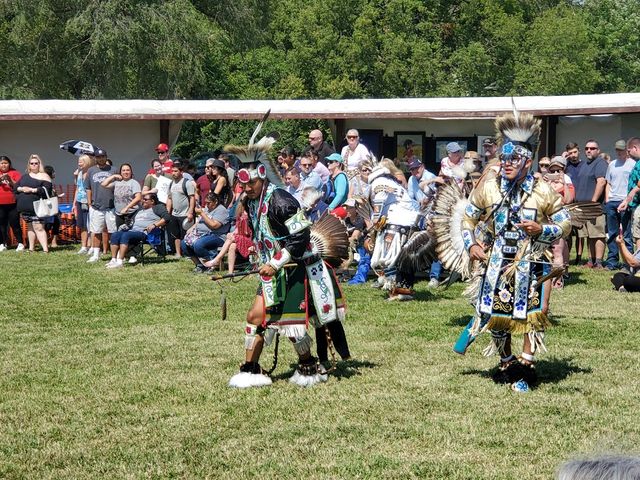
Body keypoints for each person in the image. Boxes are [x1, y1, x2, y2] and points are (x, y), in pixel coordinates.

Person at [224, 125, 347, 388]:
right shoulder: (253, 200)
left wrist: (275, 262)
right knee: (255, 318)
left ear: (263, 178)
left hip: (296, 269)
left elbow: (300, 237)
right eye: (244, 185)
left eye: (252, 184)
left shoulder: (282, 201)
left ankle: (308, 366)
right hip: (273, 271)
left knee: (291, 325)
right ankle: (250, 369)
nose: (248, 189)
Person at [460, 111, 571, 392]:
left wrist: (541, 230)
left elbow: (565, 222)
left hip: (531, 263)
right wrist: (471, 244)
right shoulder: (489, 189)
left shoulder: (543, 191)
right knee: (497, 317)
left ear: (527, 161)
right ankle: (507, 362)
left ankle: (527, 367)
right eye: (504, 158)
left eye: (514, 159)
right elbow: (467, 219)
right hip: (497, 262)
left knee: (531, 317)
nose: (507, 164)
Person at [106, 193, 170, 269]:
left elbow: (167, 217)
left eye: (145, 199)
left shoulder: (158, 207)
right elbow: (129, 220)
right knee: (115, 235)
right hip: (133, 231)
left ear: (152, 201)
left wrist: (155, 225)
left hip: (145, 233)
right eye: (142, 199)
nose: (143, 201)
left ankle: (120, 261)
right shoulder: (139, 210)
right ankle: (113, 260)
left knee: (126, 235)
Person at [574, 139, 608, 268]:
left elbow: (601, 182)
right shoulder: (585, 164)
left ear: (598, 150)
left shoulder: (600, 163)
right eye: (587, 148)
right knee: (588, 234)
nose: (589, 150)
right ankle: (590, 260)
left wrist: (593, 201)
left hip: (594, 206)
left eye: (592, 148)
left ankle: (598, 262)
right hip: (582, 206)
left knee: (597, 234)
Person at [604, 139, 635, 269]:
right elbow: (608, 183)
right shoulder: (612, 164)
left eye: (621, 150)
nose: (619, 152)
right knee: (612, 233)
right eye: (617, 149)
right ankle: (612, 261)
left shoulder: (633, 164)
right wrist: (607, 200)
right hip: (612, 201)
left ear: (627, 151)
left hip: (625, 201)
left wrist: (628, 200)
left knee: (626, 234)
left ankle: (628, 262)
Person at [181, 192, 230, 273]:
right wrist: (192, 228)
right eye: (205, 202)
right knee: (184, 243)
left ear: (216, 201)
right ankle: (199, 265)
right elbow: (200, 221)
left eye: (209, 203)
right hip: (202, 234)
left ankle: (212, 264)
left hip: (217, 236)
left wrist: (202, 213)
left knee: (198, 244)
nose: (206, 205)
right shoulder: (207, 209)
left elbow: (214, 225)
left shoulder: (221, 210)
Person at [14, 154, 53, 253]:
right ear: (29, 165)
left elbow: (47, 190)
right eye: (32, 163)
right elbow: (15, 187)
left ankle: (45, 250)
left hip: (38, 206)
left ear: (39, 164)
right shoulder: (24, 176)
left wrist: (32, 190)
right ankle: (31, 248)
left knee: (39, 227)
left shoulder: (44, 176)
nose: (34, 165)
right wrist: (22, 188)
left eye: (36, 163)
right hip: (25, 207)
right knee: (30, 227)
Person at [85, 148, 116, 263]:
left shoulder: (114, 169)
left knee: (112, 231)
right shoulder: (91, 170)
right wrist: (89, 203)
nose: (101, 159)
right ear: (95, 158)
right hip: (96, 205)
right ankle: (96, 254)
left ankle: (114, 254)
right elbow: (88, 188)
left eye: (103, 156)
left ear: (106, 157)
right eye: (98, 157)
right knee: (96, 231)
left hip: (111, 205)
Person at [166, 160, 196, 258]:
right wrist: (167, 212)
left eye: (175, 171)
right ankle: (178, 253)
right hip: (174, 214)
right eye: (172, 171)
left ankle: (188, 253)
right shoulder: (171, 184)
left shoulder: (187, 183)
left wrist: (190, 212)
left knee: (186, 235)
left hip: (185, 214)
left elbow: (192, 198)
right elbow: (169, 198)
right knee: (176, 235)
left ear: (181, 172)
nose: (173, 173)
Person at [100, 163, 142, 229]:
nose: (126, 172)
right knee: (120, 233)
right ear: (120, 172)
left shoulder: (134, 183)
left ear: (131, 172)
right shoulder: (117, 182)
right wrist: (113, 176)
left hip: (131, 213)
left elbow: (138, 197)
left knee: (129, 234)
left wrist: (127, 208)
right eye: (123, 170)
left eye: (128, 170)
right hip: (119, 214)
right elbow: (103, 184)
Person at [564, 142, 585, 264]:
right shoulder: (565, 166)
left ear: (579, 151)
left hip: (581, 202)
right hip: (569, 203)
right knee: (568, 232)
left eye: (575, 152)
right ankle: (568, 256)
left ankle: (579, 257)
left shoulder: (584, 165)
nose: (573, 155)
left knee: (580, 234)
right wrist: (563, 158)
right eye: (570, 153)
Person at [618, 137, 640, 250]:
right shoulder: (637, 163)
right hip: (635, 205)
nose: (628, 153)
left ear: (635, 148)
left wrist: (632, 192)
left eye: (629, 150)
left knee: (638, 236)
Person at [0, 155, 25, 251]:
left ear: (9, 164)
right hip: (0, 204)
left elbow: (19, 186)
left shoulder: (15, 172)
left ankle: (20, 243)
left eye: (6, 163)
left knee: (15, 223)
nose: (4, 165)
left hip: (13, 203)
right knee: (1, 224)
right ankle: (2, 244)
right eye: (2, 163)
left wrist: (10, 180)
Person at [72, 154, 93, 254]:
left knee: (90, 225)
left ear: (87, 162)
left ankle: (92, 246)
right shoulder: (79, 173)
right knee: (82, 225)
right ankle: (83, 246)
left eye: (82, 161)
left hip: (88, 202)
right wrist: (74, 203)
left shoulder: (91, 173)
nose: (79, 163)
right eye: (79, 161)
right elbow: (77, 188)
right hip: (80, 201)